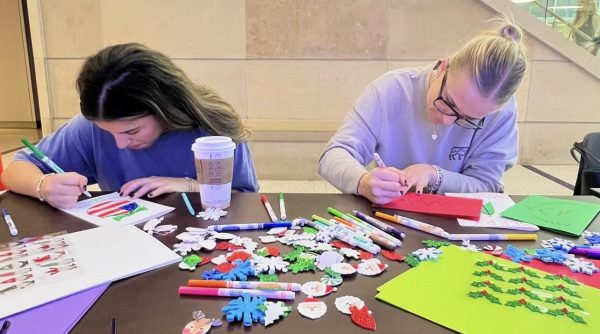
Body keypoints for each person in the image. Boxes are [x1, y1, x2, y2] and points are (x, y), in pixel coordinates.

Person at [1, 43, 258, 209]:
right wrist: (43, 186)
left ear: (164, 107)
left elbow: (246, 199)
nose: (120, 144)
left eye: (132, 131)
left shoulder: (213, 129)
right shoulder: (92, 127)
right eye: (107, 132)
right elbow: (16, 169)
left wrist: (188, 185)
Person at [318, 17, 527, 205]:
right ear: (443, 68)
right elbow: (333, 156)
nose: (446, 120)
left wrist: (435, 175)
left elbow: (488, 186)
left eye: (468, 119)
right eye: (447, 101)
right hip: (389, 220)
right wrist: (362, 182)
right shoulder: (391, 90)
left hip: (461, 230)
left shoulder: (502, 112)